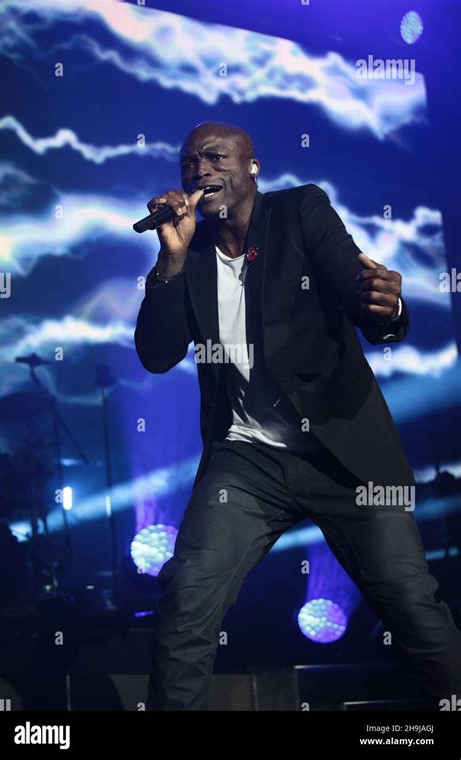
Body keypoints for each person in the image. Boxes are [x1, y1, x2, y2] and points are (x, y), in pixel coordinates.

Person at [135, 121, 461, 710]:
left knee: (411, 604)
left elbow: (364, 297)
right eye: (188, 163)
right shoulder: (192, 249)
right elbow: (157, 356)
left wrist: (387, 307)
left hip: (341, 451)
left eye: (214, 158)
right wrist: (171, 260)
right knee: (187, 594)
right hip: (247, 459)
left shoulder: (301, 211)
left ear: (251, 167)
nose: (200, 170)